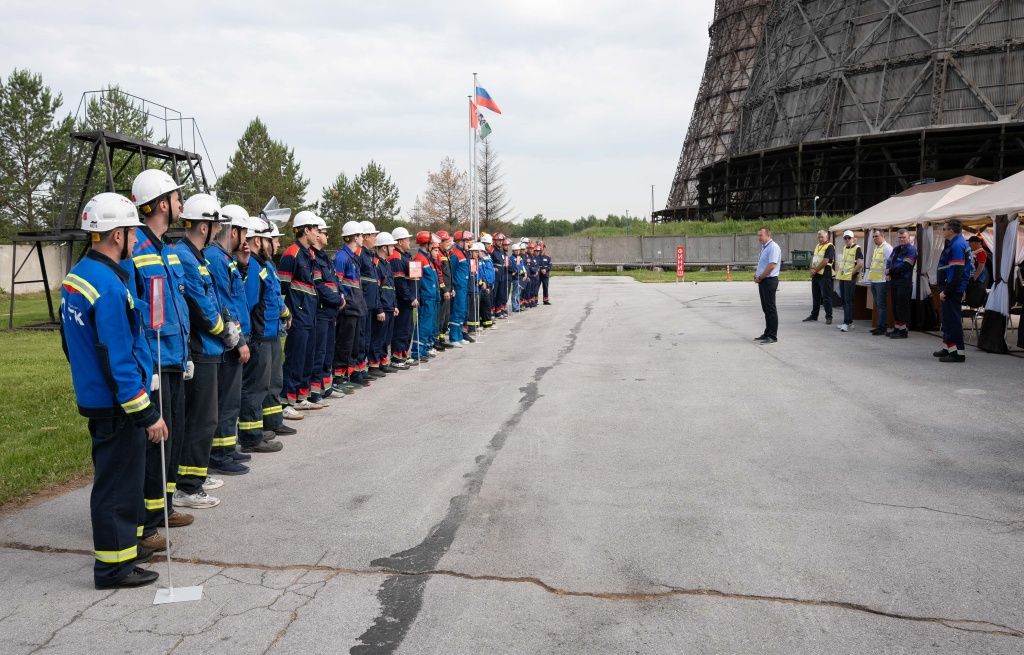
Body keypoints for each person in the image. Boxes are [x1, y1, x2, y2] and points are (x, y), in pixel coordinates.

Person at [61, 192, 167, 589]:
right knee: (118, 487)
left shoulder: (78, 276)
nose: (136, 242)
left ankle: (123, 554)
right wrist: (147, 413)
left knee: (116, 481)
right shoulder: (107, 286)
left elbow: (71, 346)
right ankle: (114, 567)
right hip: (117, 404)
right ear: (117, 235)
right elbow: (118, 359)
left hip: (97, 397)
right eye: (132, 234)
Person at [124, 169, 193, 548]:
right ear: (161, 204)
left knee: (174, 439)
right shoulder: (138, 250)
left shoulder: (167, 251)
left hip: (174, 358)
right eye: (176, 197)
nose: (181, 203)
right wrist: (144, 367)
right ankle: (146, 522)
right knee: (155, 444)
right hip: (154, 362)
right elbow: (133, 314)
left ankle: (163, 506)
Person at [172, 194, 239, 510]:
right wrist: (224, 330)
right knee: (201, 419)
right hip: (200, 350)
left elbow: (212, 298)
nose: (217, 231)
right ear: (203, 226)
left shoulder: (197, 256)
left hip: (209, 348)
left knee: (203, 419)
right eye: (214, 225)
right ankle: (187, 486)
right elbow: (199, 306)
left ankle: (193, 476)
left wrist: (226, 321)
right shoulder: (185, 258)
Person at [204, 205, 252, 475]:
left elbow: (236, 294)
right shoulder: (216, 259)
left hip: (234, 338)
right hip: (228, 342)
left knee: (231, 399)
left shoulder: (226, 258)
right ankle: (219, 454)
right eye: (243, 233)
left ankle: (228, 447)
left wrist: (243, 266)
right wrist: (239, 340)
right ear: (233, 230)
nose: (245, 240)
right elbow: (224, 303)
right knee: (225, 399)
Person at [237, 215, 285, 453]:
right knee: (254, 389)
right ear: (257, 241)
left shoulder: (261, 265)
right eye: (268, 240)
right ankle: (251, 436)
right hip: (259, 336)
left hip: (268, 332)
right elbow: (250, 303)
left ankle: (258, 430)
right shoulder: (254, 266)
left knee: (263, 386)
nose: (273, 244)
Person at [278, 212, 321, 409]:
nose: (318, 234)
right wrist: (288, 313)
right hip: (298, 314)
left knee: (307, 356)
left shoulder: (309, 254)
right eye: (316, 230)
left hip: (310, 314)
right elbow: (282, 288)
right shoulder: (291, 253)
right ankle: (287, 400)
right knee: (295, 356)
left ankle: (301, 397)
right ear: (306, 230)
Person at [309, 215, 344, 401]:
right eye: (324, 232)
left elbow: (334, 282)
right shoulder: (314, 257)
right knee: (319, 352)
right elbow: (319, 285)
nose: (327, 236)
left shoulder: (325, 258)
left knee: (328, 352)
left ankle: (326, 387)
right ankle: (315, 391)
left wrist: (340, 296)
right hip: (322, 311)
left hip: (331, 311)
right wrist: (337, 300)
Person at [333, 221, 368, 390]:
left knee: (354, 343)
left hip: (357, 306)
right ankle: (339, 377)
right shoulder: (341, 257)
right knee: (344, 343)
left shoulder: (353, 257)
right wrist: (343, 301)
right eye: (361, 235)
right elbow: (337, 283)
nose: (363, 238)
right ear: (354, 237)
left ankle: (350, 373)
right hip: (348, 308)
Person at [934, 219, 972, 362]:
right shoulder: (956, 243)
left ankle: (958, 353)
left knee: (952, 321)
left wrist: (947, 291)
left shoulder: (957, 245)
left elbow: (957, 271)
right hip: (950, 287)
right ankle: (948, 347)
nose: (942, 231)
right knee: (948, 320)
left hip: (952, 289)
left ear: (951, 230)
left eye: (944, 229)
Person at [357, 221, 381, 382]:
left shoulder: (370, 255)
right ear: (364, 237)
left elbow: (375, 283)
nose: (375, 238)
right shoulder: (359, 255)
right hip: (362, 303)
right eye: (373, 235)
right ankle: (356, 370)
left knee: (366, 337)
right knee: (360, 338)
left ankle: (362, 368)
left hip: (370, 304)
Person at [388, 226, 416, 366]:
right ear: (399, 241)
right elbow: (399, 282)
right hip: (402, 300)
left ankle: (404, 353)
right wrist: (410, 297)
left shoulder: (406, 256)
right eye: (407, 239)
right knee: (401, 328)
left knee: (408, 327)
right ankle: (396, 356)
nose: (409, 241)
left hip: (409, 299)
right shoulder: (396, 258)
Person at [373, 231, 400, 371]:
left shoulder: (387, 264)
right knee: (378, 337)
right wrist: (379, 309)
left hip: (390, 305)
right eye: (391, 246)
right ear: (384, 247)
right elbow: (376, 289)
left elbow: (391, 286)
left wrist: (394, 304)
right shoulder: (376, 264)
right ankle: (374, 364)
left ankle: (384, 362)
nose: (393, 249)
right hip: (382, 306)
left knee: (386, 338)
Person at [412, 231, 440, 360]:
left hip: (431, 297)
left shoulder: (426, 258)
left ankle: (425, 349)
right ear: (427, 244)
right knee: (423, 325)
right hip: (426, 298)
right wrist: (417, 296)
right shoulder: (419, 258)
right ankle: (417, 351)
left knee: (428, 326)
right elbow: (416, 280)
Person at [886, 228, 917, 339]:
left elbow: (906, 266)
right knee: (895, 306)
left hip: (904, 281)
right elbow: (889, 261)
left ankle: (903, 331)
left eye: (904, 237)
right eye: (900, 237)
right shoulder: (896, 249)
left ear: (909, 238)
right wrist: (887, 270)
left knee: (902, 306)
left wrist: (890, 271)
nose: (902, 239)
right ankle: (897, 328)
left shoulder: (911, 250)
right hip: (894, 281)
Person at [753, 226, 781, 343]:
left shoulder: (773, 247)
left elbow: (771, 266)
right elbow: (764, 264)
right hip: (763, 281)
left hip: (769, 281)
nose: (759, 237)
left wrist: (760, 277)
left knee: (770, 309)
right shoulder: (765, 247)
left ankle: (772, 336)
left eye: (761, 235)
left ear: (768, 235)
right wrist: (757, 275)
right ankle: (767, 332)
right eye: (758, 235)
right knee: (766, 309)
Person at [835, 230, 864, 332]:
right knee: (844, 300)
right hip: (843, 277)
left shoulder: (857, 248)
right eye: (845, 238)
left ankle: (846, 323)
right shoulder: (845, 248)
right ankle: (848, 322)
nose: (847, 240)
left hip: (849, 278)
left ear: (853, 238)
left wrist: (851, 273)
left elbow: (860, 263)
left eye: (849, 238)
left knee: (848, 301)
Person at [803, 230, 834, 325]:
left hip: (825, 275)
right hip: (816, 275)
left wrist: (815, 270)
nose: (820, 239)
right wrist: (811, 269)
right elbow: (813, 259)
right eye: (819, 237)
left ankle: (829, 317)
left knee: (826, 297)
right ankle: (814, 315)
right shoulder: (817, 246)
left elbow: (825, 261)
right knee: (815, 297)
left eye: (822, 237)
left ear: (827, 237)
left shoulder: (830, 246)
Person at [866, 230, 893, 335]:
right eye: (873, 236)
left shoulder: (887, 248)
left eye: (876, 236)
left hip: (881, 281)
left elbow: (891, 262)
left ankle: (882, 327)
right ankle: (879, 325)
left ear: (882, 236)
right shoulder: (877, 248)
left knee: (881, 305)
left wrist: (888, 275)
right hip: (875, 280)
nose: (874, 238)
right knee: (878, 304)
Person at [448, 231, 471, 345]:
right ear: (459, 241)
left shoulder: (464, 253)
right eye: (466, 241)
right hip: (458, 288)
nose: (468, 243)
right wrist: (453, 287)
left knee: (462, 311)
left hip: (464, 286)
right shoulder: (455, 254)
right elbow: (451, 272)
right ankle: (454, 337)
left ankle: (459, 335)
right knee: (457, 311)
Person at [478, 235, 496, 329]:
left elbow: (490, 269)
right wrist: (484, 282)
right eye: (488, 244)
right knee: (485, 304)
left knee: (488, 304)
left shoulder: (488, 255)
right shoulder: (480, 256)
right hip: (484, 284)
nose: (489, 245)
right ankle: (485, 322)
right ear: (483, 243)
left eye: (490, 244)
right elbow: (482, 271)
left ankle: (487, 322)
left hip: (490, 283)